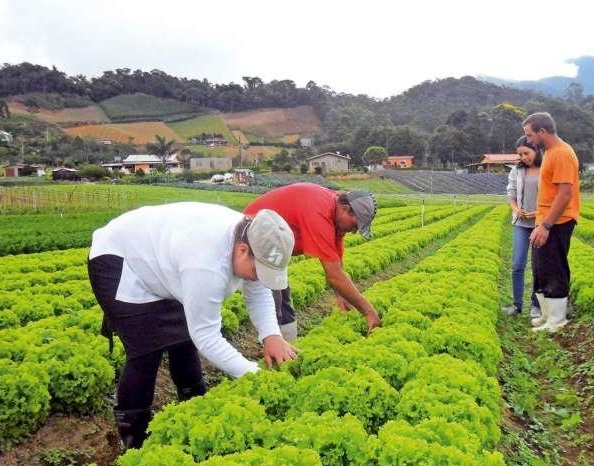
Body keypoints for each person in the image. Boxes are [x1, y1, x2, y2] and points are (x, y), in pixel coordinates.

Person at [88, 202, 298, 449]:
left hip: (165, 257)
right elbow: (206, 336)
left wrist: (271, 335)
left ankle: (194, 410)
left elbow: (258, 291)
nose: (259, 276)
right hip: (120, 259)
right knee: (145, 352)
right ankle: (135, 439)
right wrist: (252, 374)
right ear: (243, 250)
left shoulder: (252, 240)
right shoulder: (205, 263)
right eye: (258, 270)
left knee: (183, 342)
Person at [244, 183, 380, 340]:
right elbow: (334, 276)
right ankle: (274, 351)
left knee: (283, 299)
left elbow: (337, 265)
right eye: (356, 225)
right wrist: (368, 311)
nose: (355, 231)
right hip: (253, 237)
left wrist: (342, 295)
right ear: (345, 209)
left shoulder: (335, 215)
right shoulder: (319, 211)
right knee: (272, 301)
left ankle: (289, 350)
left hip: (275, 249)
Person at [522, 111, 581, 332]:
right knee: (541, 267)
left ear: (542, 131)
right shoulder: (550, 152)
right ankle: (547, 316)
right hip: (545, 219)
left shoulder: (562, 154)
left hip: (558, 221)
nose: (528, 140)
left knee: (554, 266)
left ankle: (557, 321)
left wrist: (546, 225)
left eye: (530, 135)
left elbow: (565, 194)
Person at [502, 135, 543, 320]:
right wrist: (516, 209)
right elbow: (510, 194)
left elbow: (551, 198)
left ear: (536, 150)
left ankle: (536, 305)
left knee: (538, 267)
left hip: (539, 224)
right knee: (518, 265)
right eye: (520, 154)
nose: (523, 157)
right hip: (520, 223)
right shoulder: (516, 171)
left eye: (526, 153)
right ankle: (517, 305)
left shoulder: (545, 169)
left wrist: (536, 214)